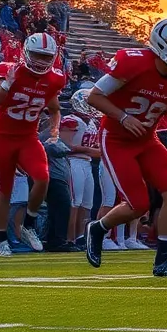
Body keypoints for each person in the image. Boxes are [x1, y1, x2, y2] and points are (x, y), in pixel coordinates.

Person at [84, 18, 167, 277]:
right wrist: (123, 117)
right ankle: (98, 228)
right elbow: (94, 96)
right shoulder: (134, 62)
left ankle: (162, 261)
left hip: (148, 139)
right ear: (165, 45)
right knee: (138, 205)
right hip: (116, 139)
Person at [0, 32, 64, 256]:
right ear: (27, 52)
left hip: (28, 136)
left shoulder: (55, 78)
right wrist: (7, 85)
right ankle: (2, 241)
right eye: (37, 55)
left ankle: (29, 224)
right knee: (5, 190)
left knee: (42, 178)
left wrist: (55, 128)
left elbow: (55, 108)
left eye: (46, 56)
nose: (41, 61)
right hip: (2, 135)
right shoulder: (9, 70)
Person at [59, 87, 100, 247]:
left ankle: (81, 236)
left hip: (87, 163)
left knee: (87, 203)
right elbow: (65, 146)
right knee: (75, 202)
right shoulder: (71, 120)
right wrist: (92, 150)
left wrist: (93, 151)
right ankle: (69, 238)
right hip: (73, 162)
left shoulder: (92, 123)